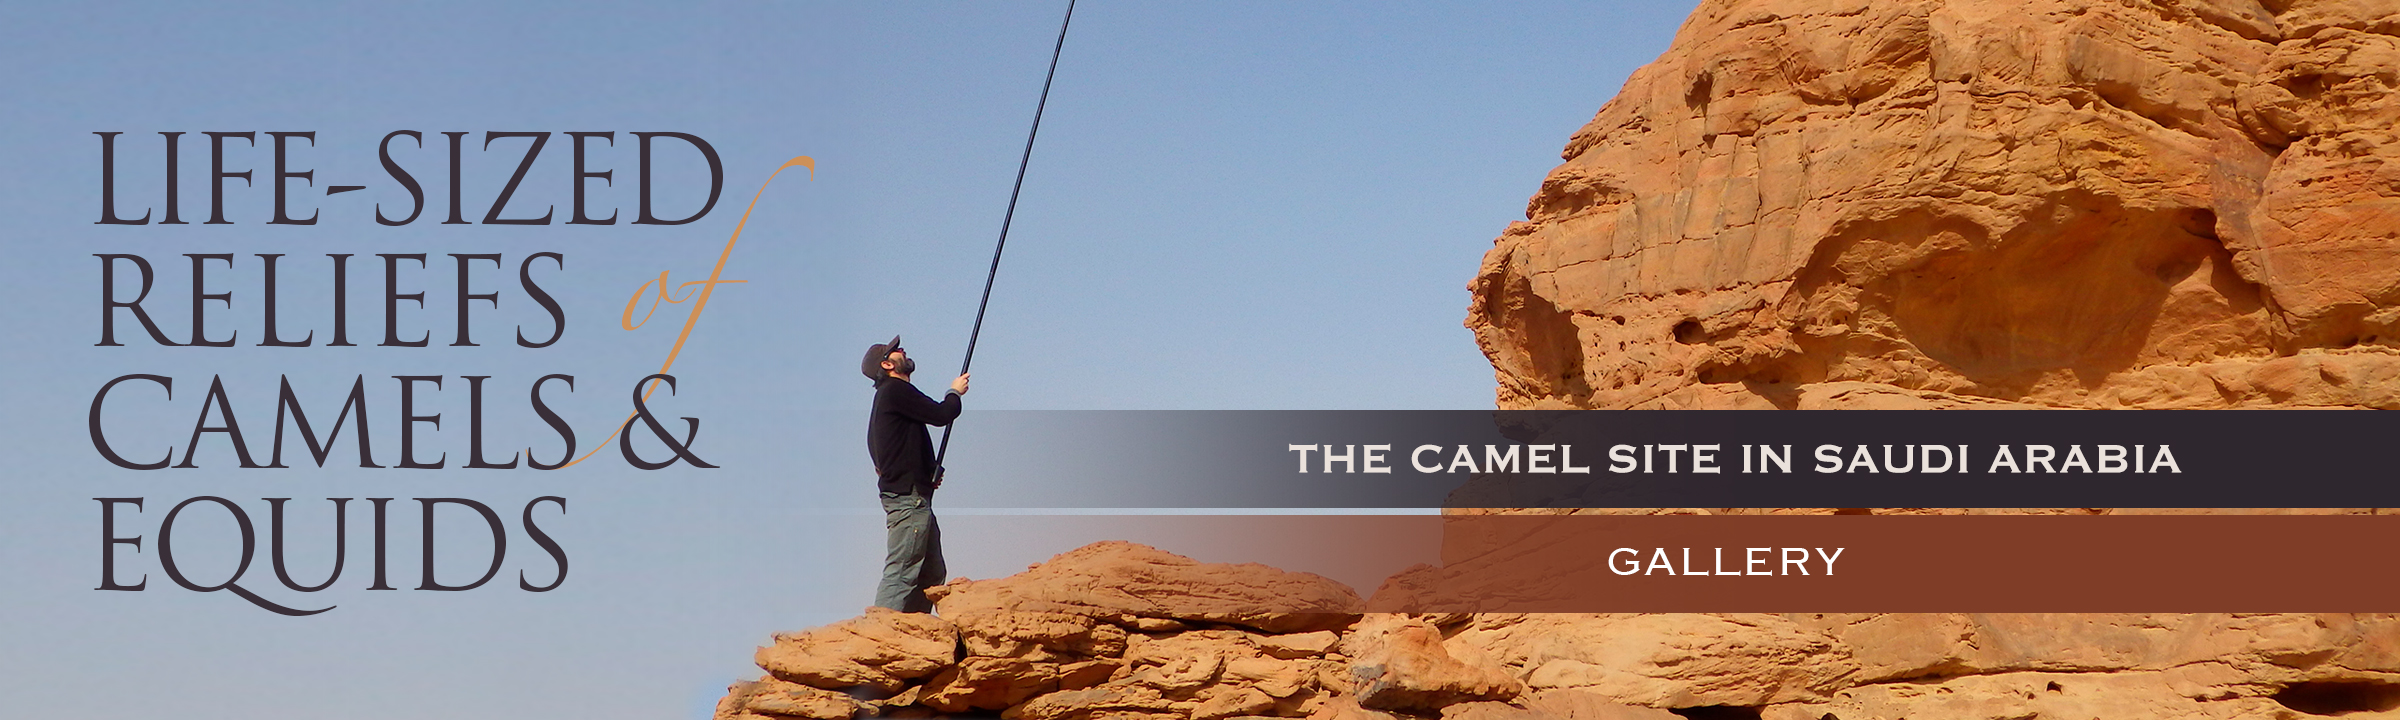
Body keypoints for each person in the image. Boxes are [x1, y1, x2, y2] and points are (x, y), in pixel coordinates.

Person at [862, 336, 969, 613]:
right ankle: (881, 633)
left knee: (931, 573)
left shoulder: (887, 399)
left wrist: (926, 472)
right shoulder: (895, 390)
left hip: (916, 496)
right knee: (903, 570)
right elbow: (941, 414)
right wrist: (954, 392)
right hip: (910, 502)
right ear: (887, 364)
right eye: (895, 351)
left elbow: (884, 453)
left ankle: (914, 631)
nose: (902, 350)